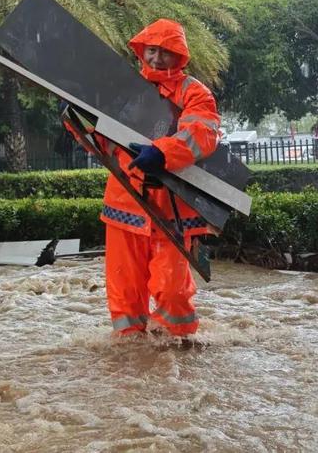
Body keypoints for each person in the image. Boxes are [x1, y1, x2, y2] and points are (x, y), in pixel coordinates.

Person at [64, 18, 221, 337]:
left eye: (166, 52)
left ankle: (178, 347)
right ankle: (129, 356)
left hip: (172, 209)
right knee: (125, 293)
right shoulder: (122, 90)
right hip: (125, 204)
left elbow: (203, 133)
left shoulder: (193, 91)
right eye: (152, 50)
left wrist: (163, 153)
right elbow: (100, 142)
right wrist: (75, 120)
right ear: (141, 50)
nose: (157, 58)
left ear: (179, 56)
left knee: (173, 291)